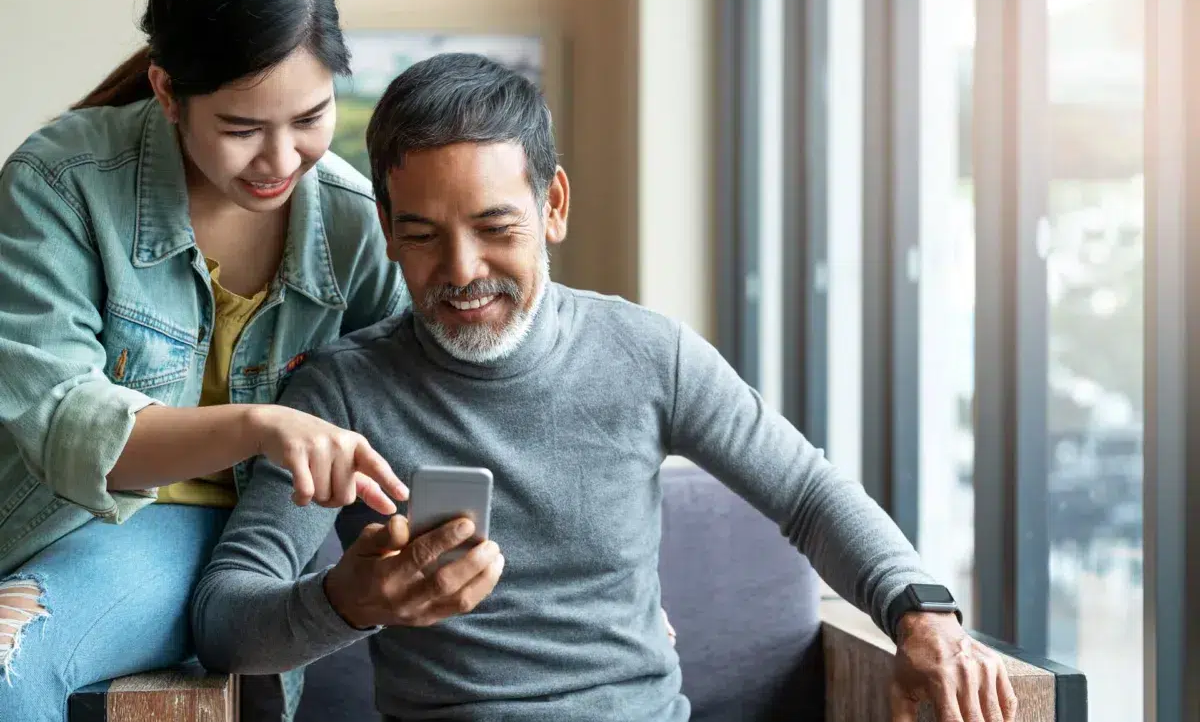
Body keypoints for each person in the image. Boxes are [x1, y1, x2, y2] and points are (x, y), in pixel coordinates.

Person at [191, 52, 1019, 722]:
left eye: (494, 227)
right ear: (387, 233)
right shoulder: (340, 394)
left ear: (552, 205)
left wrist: (922, 611)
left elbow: (805, 490)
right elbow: (226, 619)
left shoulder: (646, 352)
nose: (462, 271)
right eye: (423, 236)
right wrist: (349, 599)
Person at [0, 0, 412, 720]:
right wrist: (260, 425)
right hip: (71, 518)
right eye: (241, 127)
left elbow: (431, 408)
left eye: (311, 117)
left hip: (245, 545)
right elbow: (64, 424)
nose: (283, 160)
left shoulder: (354, 223)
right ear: (166, 91)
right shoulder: (60, 182)